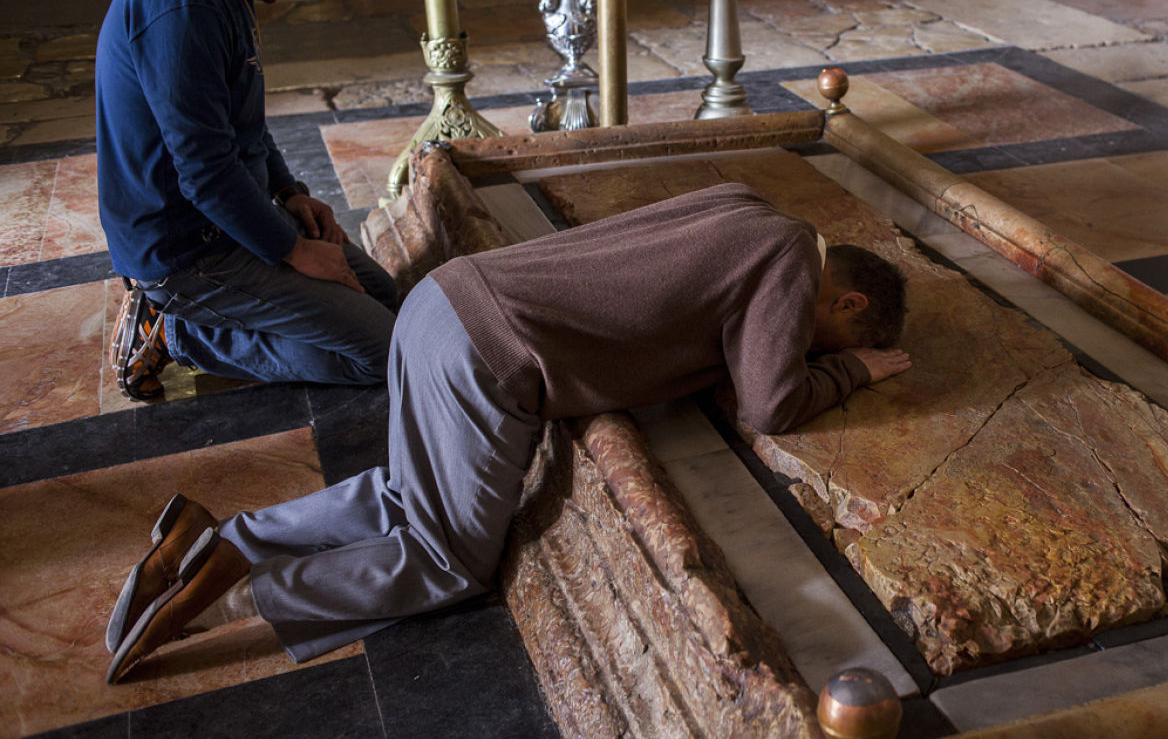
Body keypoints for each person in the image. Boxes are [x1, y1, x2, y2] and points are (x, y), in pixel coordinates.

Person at [102, 183, 911, 682]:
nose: (812, 351)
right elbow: (770, 401)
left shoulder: (747, 206)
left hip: (441, 306)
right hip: (488, 359)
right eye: (826, 342)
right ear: (845, 304)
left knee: (404, 494)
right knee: (447, 560)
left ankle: (227, 541)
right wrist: (853, 374)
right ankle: (223, 602)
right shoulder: (792, 263)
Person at [95, 0, 400, 403]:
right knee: (387, 352)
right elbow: (205, 172)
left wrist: (290, 192)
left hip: (232, 218)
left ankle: (229, 312)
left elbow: (243, 121)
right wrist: (292, 250)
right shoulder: (184, 3)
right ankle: (175, 330)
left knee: (384, 295)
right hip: (186, 251)